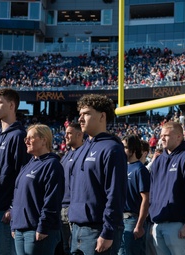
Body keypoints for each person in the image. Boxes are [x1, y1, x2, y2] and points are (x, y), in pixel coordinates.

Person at [69, 94, 127, 255]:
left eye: (86, 113)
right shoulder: (80, 150)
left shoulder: (112, 148)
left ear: (102, 116)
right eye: (80, 114)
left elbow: (115, 193)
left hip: (98, 230)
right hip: (77, 229)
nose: (80, 118)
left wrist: (108, 231)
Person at [0, 88, 30, 255]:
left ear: (11, 105)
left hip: (5, 212)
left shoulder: (18, 136)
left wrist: (12, 207)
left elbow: (22, 175)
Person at [149, 121, 185, 255]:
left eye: (166, 135)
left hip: (178, 225)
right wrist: (152, 222)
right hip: (158, 223)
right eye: (161, 135)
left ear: (179, 136)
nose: (162, 138)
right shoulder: (158, 161)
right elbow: (152, 193)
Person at [11, 124, 64, 255]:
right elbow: (17, 196)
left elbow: (52, 199)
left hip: (37, 231)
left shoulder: (52, 165)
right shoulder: (28, 165)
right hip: (20, 229)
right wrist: (14, 223)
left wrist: (43, 227)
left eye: (30, 138)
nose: (26, 141)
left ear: (44, 140)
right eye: (25, 138)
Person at [119, 134, 150, 255]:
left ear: (132, 150)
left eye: (125, 147)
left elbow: (146, 199)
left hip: (132, 220)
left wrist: (139, 224)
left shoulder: (140, 170)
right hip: (120, 219)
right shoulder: (122, 168)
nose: (122, 151)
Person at [59, 122, 83, 255]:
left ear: (79, 134)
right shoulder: (66, 156)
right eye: (66, 133)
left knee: (76, 248)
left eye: (69, 133)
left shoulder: (84, 153)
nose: (66, 136)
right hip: (62, 206)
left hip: (74, 208)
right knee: (65, 247)